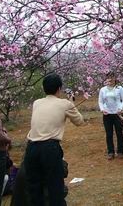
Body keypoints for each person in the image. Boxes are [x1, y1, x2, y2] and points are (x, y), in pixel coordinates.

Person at [24, 73, 84, 206]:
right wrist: (71, 103)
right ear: (59, 88)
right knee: (55, 187)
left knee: (34, 188)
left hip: (31, 148)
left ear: (44, 88)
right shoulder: (65, 104)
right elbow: (79, 121)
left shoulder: (37, 103)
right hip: (49, 149)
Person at [98, 72, 123, 160]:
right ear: (106, 79)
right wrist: (102, 109)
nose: (110, 79)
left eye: (112, 77)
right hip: (107, 114)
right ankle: (110, 152)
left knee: (119, 132)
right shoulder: (103, 89)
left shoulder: (119, 88)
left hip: (117, 114)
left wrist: (121, 108)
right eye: (108, 77)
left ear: (115, 78)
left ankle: (120, 151)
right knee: (109, 134)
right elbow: (100, 101)